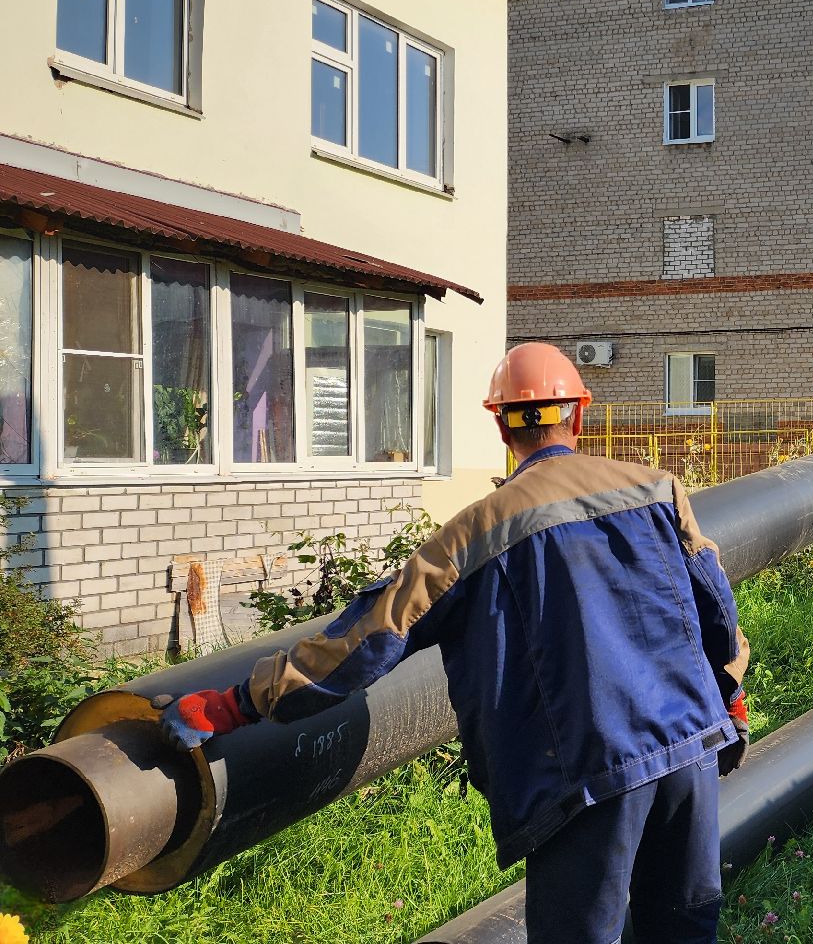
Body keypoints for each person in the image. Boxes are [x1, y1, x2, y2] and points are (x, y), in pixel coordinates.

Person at [158, 342, 751, 944]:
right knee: (684, 926)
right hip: (691, 746)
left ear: (501, 424)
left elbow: (370, 638)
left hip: (590, 778)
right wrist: (728, 694)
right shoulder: (654, 489)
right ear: (579, 413)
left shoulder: (475, 533)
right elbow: (715, 606)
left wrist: (235, 703)